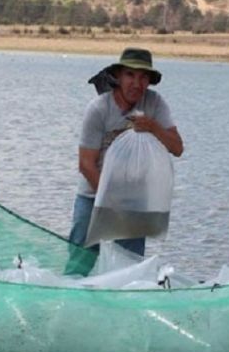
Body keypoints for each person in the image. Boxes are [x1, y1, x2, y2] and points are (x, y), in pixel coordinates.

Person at [68, 48, 184, 268]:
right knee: (79, 262)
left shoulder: (154, 103)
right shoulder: (99, 109)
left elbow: (177, 148)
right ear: (118, 77)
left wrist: (153, 127)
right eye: (130, 75)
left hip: (134, 201)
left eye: (143, 77)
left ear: (149, 81)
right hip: (93, 196)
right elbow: (86, 165)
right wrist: (110, 202)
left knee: (129, 268)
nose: (137, 83)